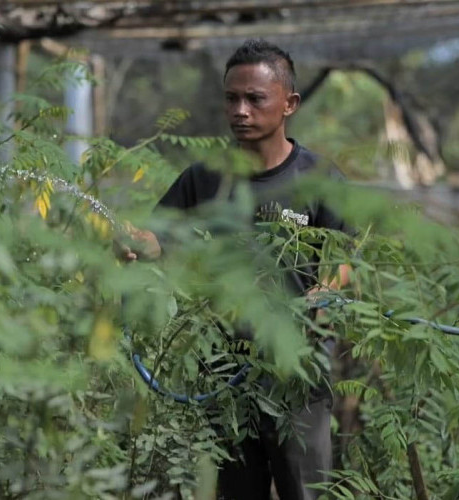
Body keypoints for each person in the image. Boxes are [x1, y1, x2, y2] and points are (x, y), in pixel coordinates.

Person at [117, 39, 353, 500]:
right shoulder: (203, 177)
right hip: (223, 375)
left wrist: (324, 292)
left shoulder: (320, 179)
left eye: (254, 98)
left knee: (305, 490)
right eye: (231, 98)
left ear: (290, 104)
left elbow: (347, 263)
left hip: (296, 376)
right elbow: (160, 237)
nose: (240, 110)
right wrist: (137, 243)